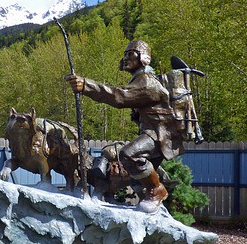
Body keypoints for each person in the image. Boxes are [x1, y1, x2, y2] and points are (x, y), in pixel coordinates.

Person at [65, 40, 184, 213]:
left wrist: (86, 85)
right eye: (125, 54)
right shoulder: (139, 79)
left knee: (128, 154)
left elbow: (120, 96)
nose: (126, 58)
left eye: (131, 54)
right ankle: (149, 203)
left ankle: (158, 190)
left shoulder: (147, 82)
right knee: (136, 177)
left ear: (143, 57)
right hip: (152, 132)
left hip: (160, 134)